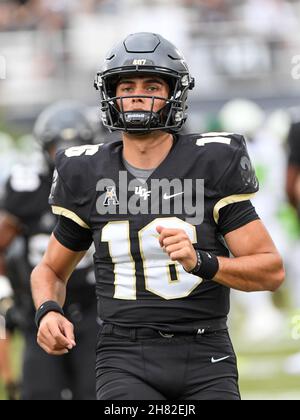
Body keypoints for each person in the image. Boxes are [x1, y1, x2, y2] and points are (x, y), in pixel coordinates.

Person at [31, 33, 285, 401]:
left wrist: (202, 261)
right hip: (124, 356)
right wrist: (48, 310)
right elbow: (51, 270)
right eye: (127, 85)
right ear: (111, 94)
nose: (138, 94)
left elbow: (270, 270)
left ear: (173, 94)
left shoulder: (211, 162)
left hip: (206, 352)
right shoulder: (86, 171)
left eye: (152, 85)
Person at [0, 101, 99, 400]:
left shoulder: (104, 184)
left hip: (96, 309)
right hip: (42, 309)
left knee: (97, 392)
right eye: (58, 147)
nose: (65, 155)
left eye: (74, 146)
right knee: (41, 391)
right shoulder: (28, 186)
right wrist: (6, 290)